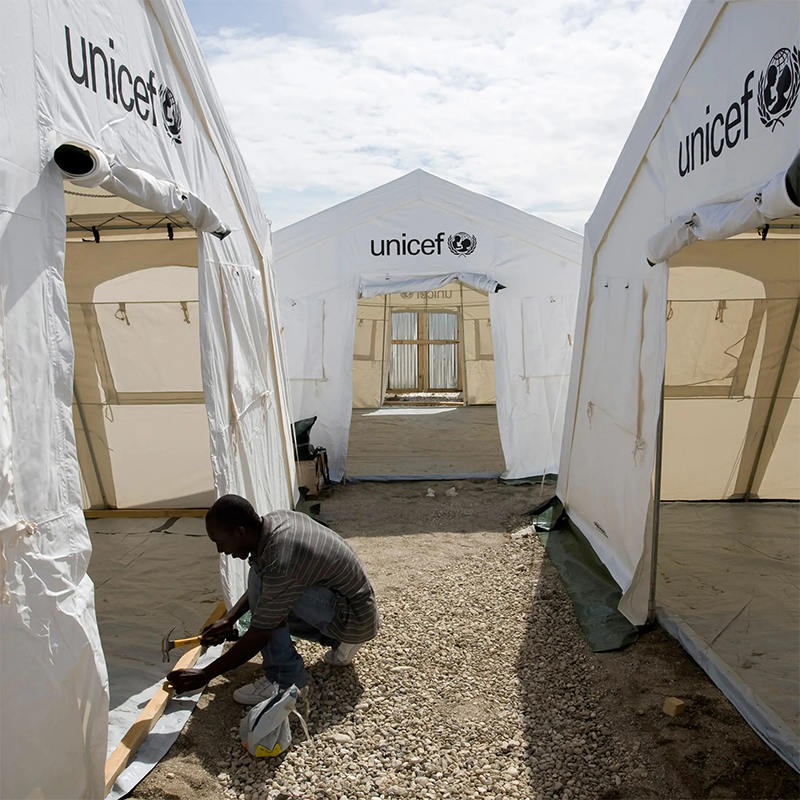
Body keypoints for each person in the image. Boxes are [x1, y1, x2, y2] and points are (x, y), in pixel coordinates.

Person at [168, 494, 380, 704]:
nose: (220, 550)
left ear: (240, 532)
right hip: (353, 608)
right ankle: (341, 641)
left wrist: (205, 674)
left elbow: (261, 632)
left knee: (267, 605)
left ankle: (285, 681)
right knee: (262, 577)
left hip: (355, 618)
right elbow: (266, 583)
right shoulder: (274, 523)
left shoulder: (281, 558)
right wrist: (229, 619)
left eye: (220, 542)